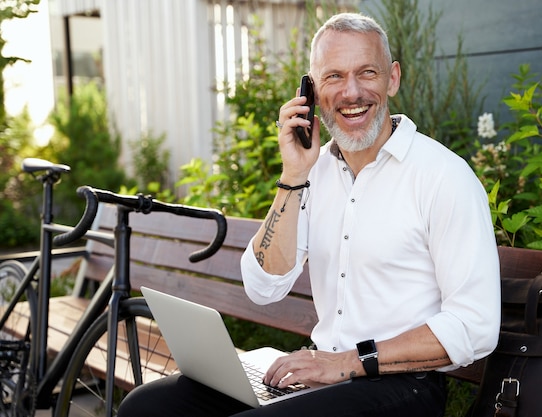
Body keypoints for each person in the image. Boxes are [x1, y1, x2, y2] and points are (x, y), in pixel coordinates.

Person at [117, 12, 500, 417]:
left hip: (403, 387)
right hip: (324, 376)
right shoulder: (313, 173)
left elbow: (474, 325)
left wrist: (346, 363)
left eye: (367, 73)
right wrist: (294, 174)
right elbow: (263, 286)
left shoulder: (444, 176)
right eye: (334, 77)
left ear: (393, 78)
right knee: (148, 407)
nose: (351, 92)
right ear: (312, 90)